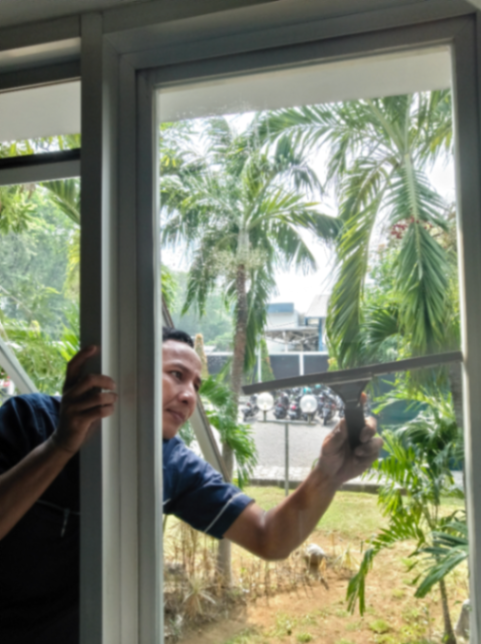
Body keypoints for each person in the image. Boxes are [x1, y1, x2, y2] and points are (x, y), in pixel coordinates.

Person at [0, 327, 382, 643]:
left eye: (197, 386)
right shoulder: (28, 420)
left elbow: (270, 537)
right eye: (176, 375)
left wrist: (328, 474)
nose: (189, 396)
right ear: (128, 369)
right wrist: (61, 445)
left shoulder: (172, 463)